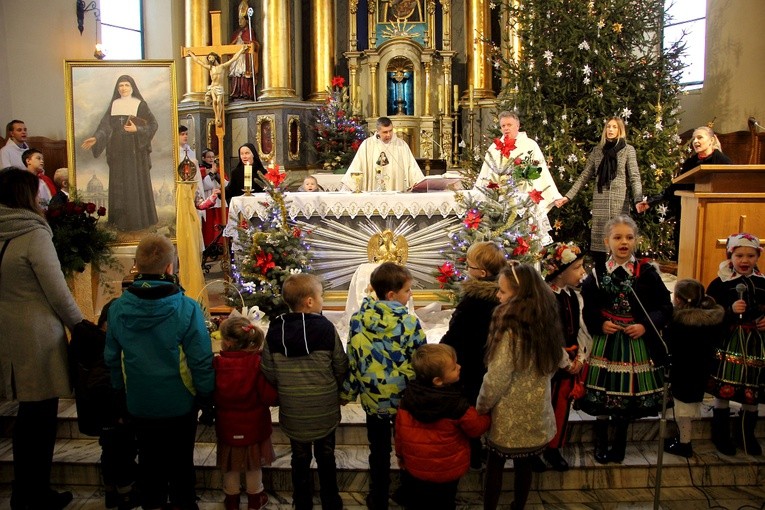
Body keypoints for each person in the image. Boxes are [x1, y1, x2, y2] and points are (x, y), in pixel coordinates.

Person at [104, 233, 214, 510]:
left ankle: (152, 502)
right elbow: (200, 359)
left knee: (149, 461)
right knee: (180, 463)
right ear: (169, 268)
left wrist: (119, 394)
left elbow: (112, 359)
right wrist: (206, 394)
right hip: (180, 402)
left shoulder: (117, 309)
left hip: (139, 402)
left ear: (137, 266)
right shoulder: (186, 307)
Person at [0, 168, 83, 509]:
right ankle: (34, 493)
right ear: (25, 196)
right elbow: (57, 291)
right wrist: (81, 326)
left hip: (7, 332)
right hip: (37, 336)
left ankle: (26, 490)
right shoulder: (33, 234)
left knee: (26, 416)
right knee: (41, 417)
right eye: (35, 193)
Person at [579, 215, 672, 464]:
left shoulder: (647, 272)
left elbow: (665, 306)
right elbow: (588, 308)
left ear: (636, 241)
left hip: (634, 343)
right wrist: (599, 323)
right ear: (606, 241)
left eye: (629, 238)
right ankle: (601, 441)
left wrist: (644, 325)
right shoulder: (597, 274)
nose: (624, 242)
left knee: (624, 393)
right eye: (617, 237)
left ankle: (619, 444)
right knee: (603, 390)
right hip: (606, 342)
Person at [475, 263, 563, 510]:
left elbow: (498, 375)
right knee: (525, 464)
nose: (497, 296)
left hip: (508, 413)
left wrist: (482, 405)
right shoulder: (546, 320)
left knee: (495, 464)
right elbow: (558, 359)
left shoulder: (510, 327)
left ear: (519, 293)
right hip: (537, 409)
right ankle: (518, 506)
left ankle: (489, 507)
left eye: (502, 292)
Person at [341, 262, 427, 510]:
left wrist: (347, 392)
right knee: (407, 448)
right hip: (404, 399)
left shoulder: (358, 320)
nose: (411, 295)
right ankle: (407, 493)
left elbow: (354, 359)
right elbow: (420, 359)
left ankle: (378, 497)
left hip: (373, 400)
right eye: (408, 290)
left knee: (377, 450)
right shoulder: (410, 323)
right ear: (392, 295)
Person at [262, 273, 348, 510]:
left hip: (293, 409)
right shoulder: (325, 328)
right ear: (310, 301)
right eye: (321, 295)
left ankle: (302, 501)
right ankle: (331, 500)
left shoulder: (275, 329)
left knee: (299, 458)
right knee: (326, 455)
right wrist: (338, 387)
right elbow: (340, 365)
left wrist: (285, 388)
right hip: (324, 408)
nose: (323, 300)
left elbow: (267, 368)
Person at [394, 344, 491, 510]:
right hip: (447, 471)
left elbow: (400, 431)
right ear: (438, 381)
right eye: (454, 368)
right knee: (445, 502)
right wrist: (487, 417)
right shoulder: (458, 405)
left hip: (416, 468)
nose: (459, 367)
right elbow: (475, 429)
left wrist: (400, 455)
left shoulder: (407, 399)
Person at [439, 241, 506, 470]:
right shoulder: (503, 296)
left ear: (482, 273)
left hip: (471, 363)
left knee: (472, 409)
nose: (466, 269)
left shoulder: (472, 301)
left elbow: (456, 333)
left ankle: (474, 453)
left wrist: (441, 351)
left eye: (469, 265)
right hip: (494, 363)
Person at [69, 300, 139, 510]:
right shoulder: (105, 346)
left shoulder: (86, 341)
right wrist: (120, 411)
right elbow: (107, 382)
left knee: (109, 451)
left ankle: (110, 492)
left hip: (96, 412)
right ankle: (126, 495)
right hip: (113, 410)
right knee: (124, 451)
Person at [554, 117, 648, 267]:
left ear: (620, 130)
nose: (610, 130)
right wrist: (567, 196)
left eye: (614, 127)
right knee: (600, 245)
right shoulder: (597, 151)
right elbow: (584, 175)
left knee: (619, 241)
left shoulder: (628, 150)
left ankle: (621, 279)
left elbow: (635, 177)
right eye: (608, 127)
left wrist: (638, 200)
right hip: (600, 202)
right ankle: (600, 279)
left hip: (619, 202)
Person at [706, 232, 765, 456]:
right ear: (730, 255)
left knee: (752, 389)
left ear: (758, 256)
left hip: (755, 344)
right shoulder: (721, 283)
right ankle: (721, 434)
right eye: (739, 255)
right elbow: (709, 311)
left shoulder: (762, 283)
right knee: (724, 388)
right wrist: (729, 311)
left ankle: (746, 434)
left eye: (750, 255)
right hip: (729, 342)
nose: (744, 260)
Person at [535, 241, 590, 472]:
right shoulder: (545, 298)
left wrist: (580, 357)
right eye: (577, 267)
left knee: (561, 406)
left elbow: (580, 328)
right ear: (559, 272)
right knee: (542, 406)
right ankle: (536, 449)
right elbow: (545, 334)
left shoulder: (572, 296)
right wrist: (564, 361)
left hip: (570, 360)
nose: (583, 272)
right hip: (550, 363)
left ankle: (554, 447)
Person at [81, 75, 159, 232]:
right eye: (120, 86)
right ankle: (120, 222)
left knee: (133, 182)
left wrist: (138, 129)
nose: (123, 88)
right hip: (117, 150)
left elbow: (153, 124)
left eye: (126, 85)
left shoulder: (140, 104)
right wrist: (96, 138)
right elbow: (105, 127)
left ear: (132, 87)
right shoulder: (114, 105)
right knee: (118, 184)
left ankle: (138, 221)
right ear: (117, 89)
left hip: (134, 151)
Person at [215, 315, 277, 510]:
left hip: (227, 424)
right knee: (253, 465)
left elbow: (211, 392)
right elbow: (268, 396)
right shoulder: (256, 363)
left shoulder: (217, 364)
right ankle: (255, 499)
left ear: (226, 341)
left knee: (230, 465)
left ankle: (231, 500)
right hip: (254, 425)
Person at [474, 111, 562, 244]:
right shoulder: (495, 147)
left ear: (518, 126)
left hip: (523, 197)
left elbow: (542, 171)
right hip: (499, 198)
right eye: (503, 126)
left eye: (509, 125)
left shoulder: (529, 145)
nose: (506, 128)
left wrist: (554, 195)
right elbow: (485, 172)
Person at [663, 279, 723, 458]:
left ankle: (684, 443)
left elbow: (671, 343)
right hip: (701, 369)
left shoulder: (680, 322)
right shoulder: (710, 319)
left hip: (683, 370)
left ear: (679, 300)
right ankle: (683, 440)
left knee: (683, 409)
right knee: (689, 406)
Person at [653, 126, 733, 257]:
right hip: (689, 213)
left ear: (711, 140)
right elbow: (677, 185)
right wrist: (653, 200)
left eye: (700, 137)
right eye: (694, 138)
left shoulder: (723, 162)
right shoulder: (690, 162)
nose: (695, 141)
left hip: (714, 214)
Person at [340, 117, 424, 192]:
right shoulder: (367, 145)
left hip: (396, 191)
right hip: (373, 191)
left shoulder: (401, 145)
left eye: (390, 131)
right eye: (385, 132)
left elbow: (412, 167)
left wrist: (418, 183)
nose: (389, 135)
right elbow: (357, 166)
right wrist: (347, 187)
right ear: (378, 131)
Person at [185, 46, 248, 127]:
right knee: (214, 101)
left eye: (210, 57)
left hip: (220, 87)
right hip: (213, 87)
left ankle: (219, 117)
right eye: (208, 58)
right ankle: (217, 117)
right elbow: (198, 61)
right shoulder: (210, 68)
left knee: (218, 101)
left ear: (215, 57)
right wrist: (191, 54)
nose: (209, 59)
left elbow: (234, 59)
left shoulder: (222, 66)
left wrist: (241, 50)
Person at [229, 0, 260, 101]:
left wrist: (250, 44)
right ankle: (237, 92)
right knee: (237, 76)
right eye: (238, 20)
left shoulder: (250, 31)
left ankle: (246, 92)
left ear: (246, 20)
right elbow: (230, 47)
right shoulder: (236, 33)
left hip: (245, 58)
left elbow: (255, 45)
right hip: (237, 58)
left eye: (241, 20)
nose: (239, 22)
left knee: (244, 75)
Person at [200, 149, 225, 248]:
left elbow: (225, 183)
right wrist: (211, 174)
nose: (211, 159)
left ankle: (220, 244)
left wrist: (217, 176)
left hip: (218, 201)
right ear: (203, 158)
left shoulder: (218, 169)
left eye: (212, 157)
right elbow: (203, 186)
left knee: (218, 224)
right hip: (207, 199)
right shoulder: (201, 169)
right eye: (209, 157)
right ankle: (208, 245)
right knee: (209, 227)